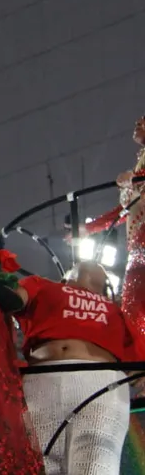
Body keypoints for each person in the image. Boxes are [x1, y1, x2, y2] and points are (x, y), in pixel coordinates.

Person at [14, 262, 144, 474]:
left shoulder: (115, 310)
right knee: (40, 465)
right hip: (43, 379)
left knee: (96, 465)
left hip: (101, 384)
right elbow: (11, 301)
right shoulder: (42, 285)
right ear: (66, 278)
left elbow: (139, 366)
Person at [84, 114, 145, 338]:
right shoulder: (140, 164)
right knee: (131, 316)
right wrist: (88, 229)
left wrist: (135, 179)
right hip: (137, 253)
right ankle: (136, 370)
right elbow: (125, 210)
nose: (138, 122)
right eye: (138, 120)